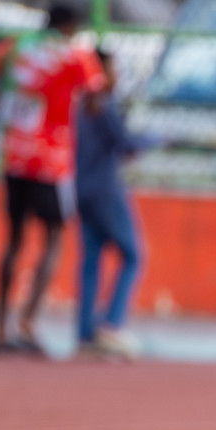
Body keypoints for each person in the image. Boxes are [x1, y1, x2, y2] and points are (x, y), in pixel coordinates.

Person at [0, 2, 106, 357]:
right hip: (52, 161)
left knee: (13, 241)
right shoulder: (75, 54)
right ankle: (27, 323)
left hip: (14, 156)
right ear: (70, 26)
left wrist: (0, 104)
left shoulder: (17, 46)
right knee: (54, 238)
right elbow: (95, 101)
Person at [74, 50, 154, 360]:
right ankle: (112, 324)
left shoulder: (78, 104)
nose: (117, 75)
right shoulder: (102, 105)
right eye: (113, 69)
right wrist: (156, 139)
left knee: (91, 260)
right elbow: (125, 144)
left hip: (80, 190)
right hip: (106, 191)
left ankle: (84, 334)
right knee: (133, 255)